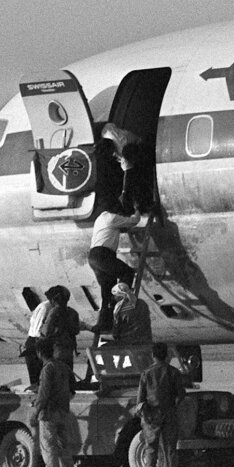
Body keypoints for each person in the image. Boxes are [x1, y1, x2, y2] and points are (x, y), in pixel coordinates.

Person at [88, 125, 153, 330]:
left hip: (94, 256)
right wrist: (136, 212)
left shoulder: (101, 218)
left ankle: (104, 323)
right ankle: (122, 305)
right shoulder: (111, 218)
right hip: (103, 255)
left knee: (105, 289)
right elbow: (132, 221)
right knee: (127, 273)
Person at [136, 342, 185, 467]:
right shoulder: (174, 372)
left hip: (152, 415)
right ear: (167, 355)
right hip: (169, 413)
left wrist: (143, 414)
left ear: (153, 355)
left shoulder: (146, 373)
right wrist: (173, 406)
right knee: (171, 449)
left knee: (151, 448)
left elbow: (140, 399)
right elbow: (181, 394)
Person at [33, 340, 77, 467]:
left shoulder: (47, 369)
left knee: (48, 446)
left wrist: (35, 413)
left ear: (39, 353)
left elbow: (43, 394)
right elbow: (73, 388)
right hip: (63, 411)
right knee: (64, 446)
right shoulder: (63, 366)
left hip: (49, 413)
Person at [42, 285, 81, 369]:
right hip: (69, 349)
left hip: (56, 349)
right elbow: (76, 330)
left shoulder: (53, 312)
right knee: (68, 372)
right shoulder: (73, 312)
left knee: (57, 374)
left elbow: (46, 332)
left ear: (54, 300)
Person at [22, 297, 52, 386]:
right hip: (35, 342)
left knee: (44, 375)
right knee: (36, 376)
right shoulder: (45, 308)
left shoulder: (58, 308)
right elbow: (37, 331)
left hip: (42, 342)